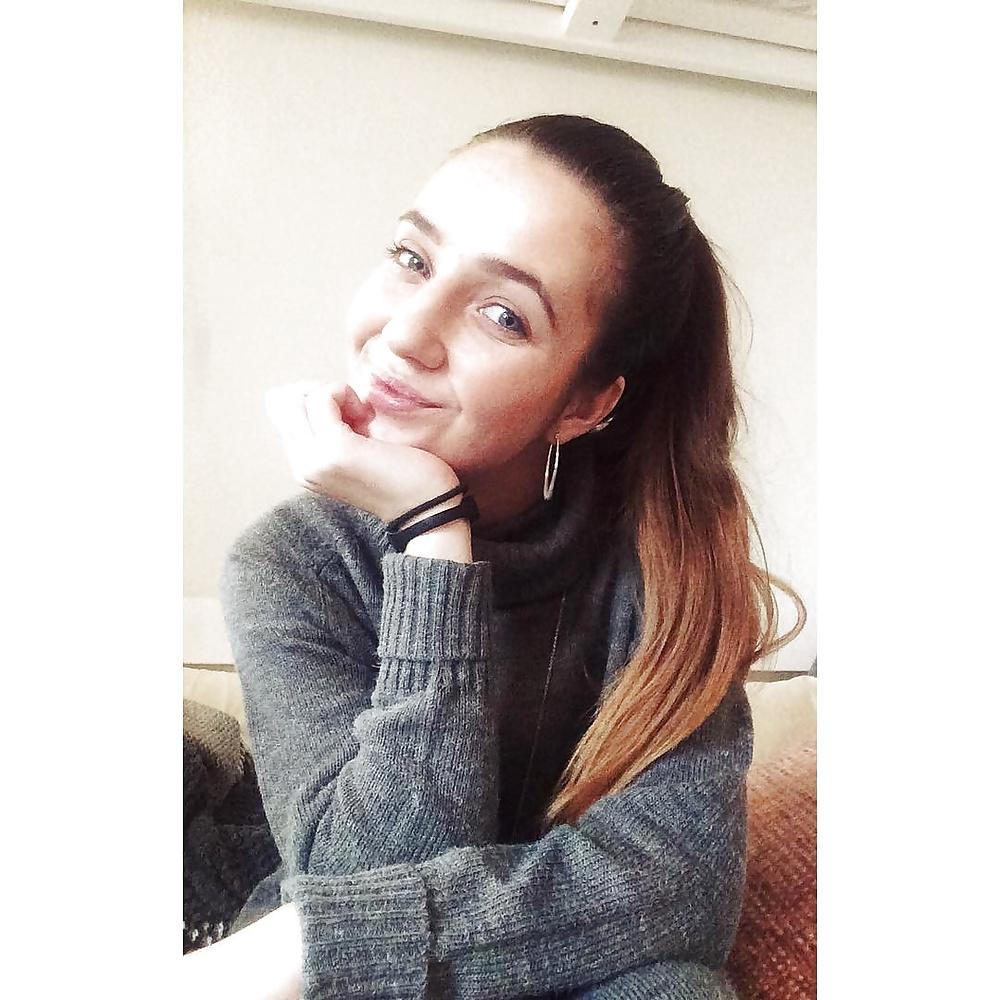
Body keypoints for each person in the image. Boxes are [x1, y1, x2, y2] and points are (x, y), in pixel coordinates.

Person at [181, 114, 804, 999]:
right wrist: (432, 540)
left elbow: (683, 888)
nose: (406, 333)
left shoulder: (665, 577)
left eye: (502, 315)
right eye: (412, 259)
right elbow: (362, 876)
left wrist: (321, 942)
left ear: (585, 405)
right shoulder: (292, 564)